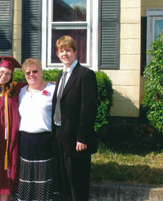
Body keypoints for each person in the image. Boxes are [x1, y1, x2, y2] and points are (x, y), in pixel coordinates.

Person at [52, 35, 98, 201]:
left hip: (76, 139)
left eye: (68, 50)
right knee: (63, 180)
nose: (65, 54)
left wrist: (82, 137)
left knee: (77, 182)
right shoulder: (61, 75)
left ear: (75, 52)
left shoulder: (85, 75)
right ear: (57, 54)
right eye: (61, 51)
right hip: (59, 135)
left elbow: (89, 109)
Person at [17, 58, 60, 201]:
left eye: (35, 71)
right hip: (25, 140)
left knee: (44, 176)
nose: (31, 75)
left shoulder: (52, 90)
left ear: (41, 72)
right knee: (27, 176)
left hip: (44, 140)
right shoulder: (21, 91)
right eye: (28, 72)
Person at [0, 56, 26, 201]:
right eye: (1, 72)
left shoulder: (16, 89)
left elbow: (36, 85)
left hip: (10, 142)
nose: (4, 76)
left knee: (8, 171)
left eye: (8, 73)